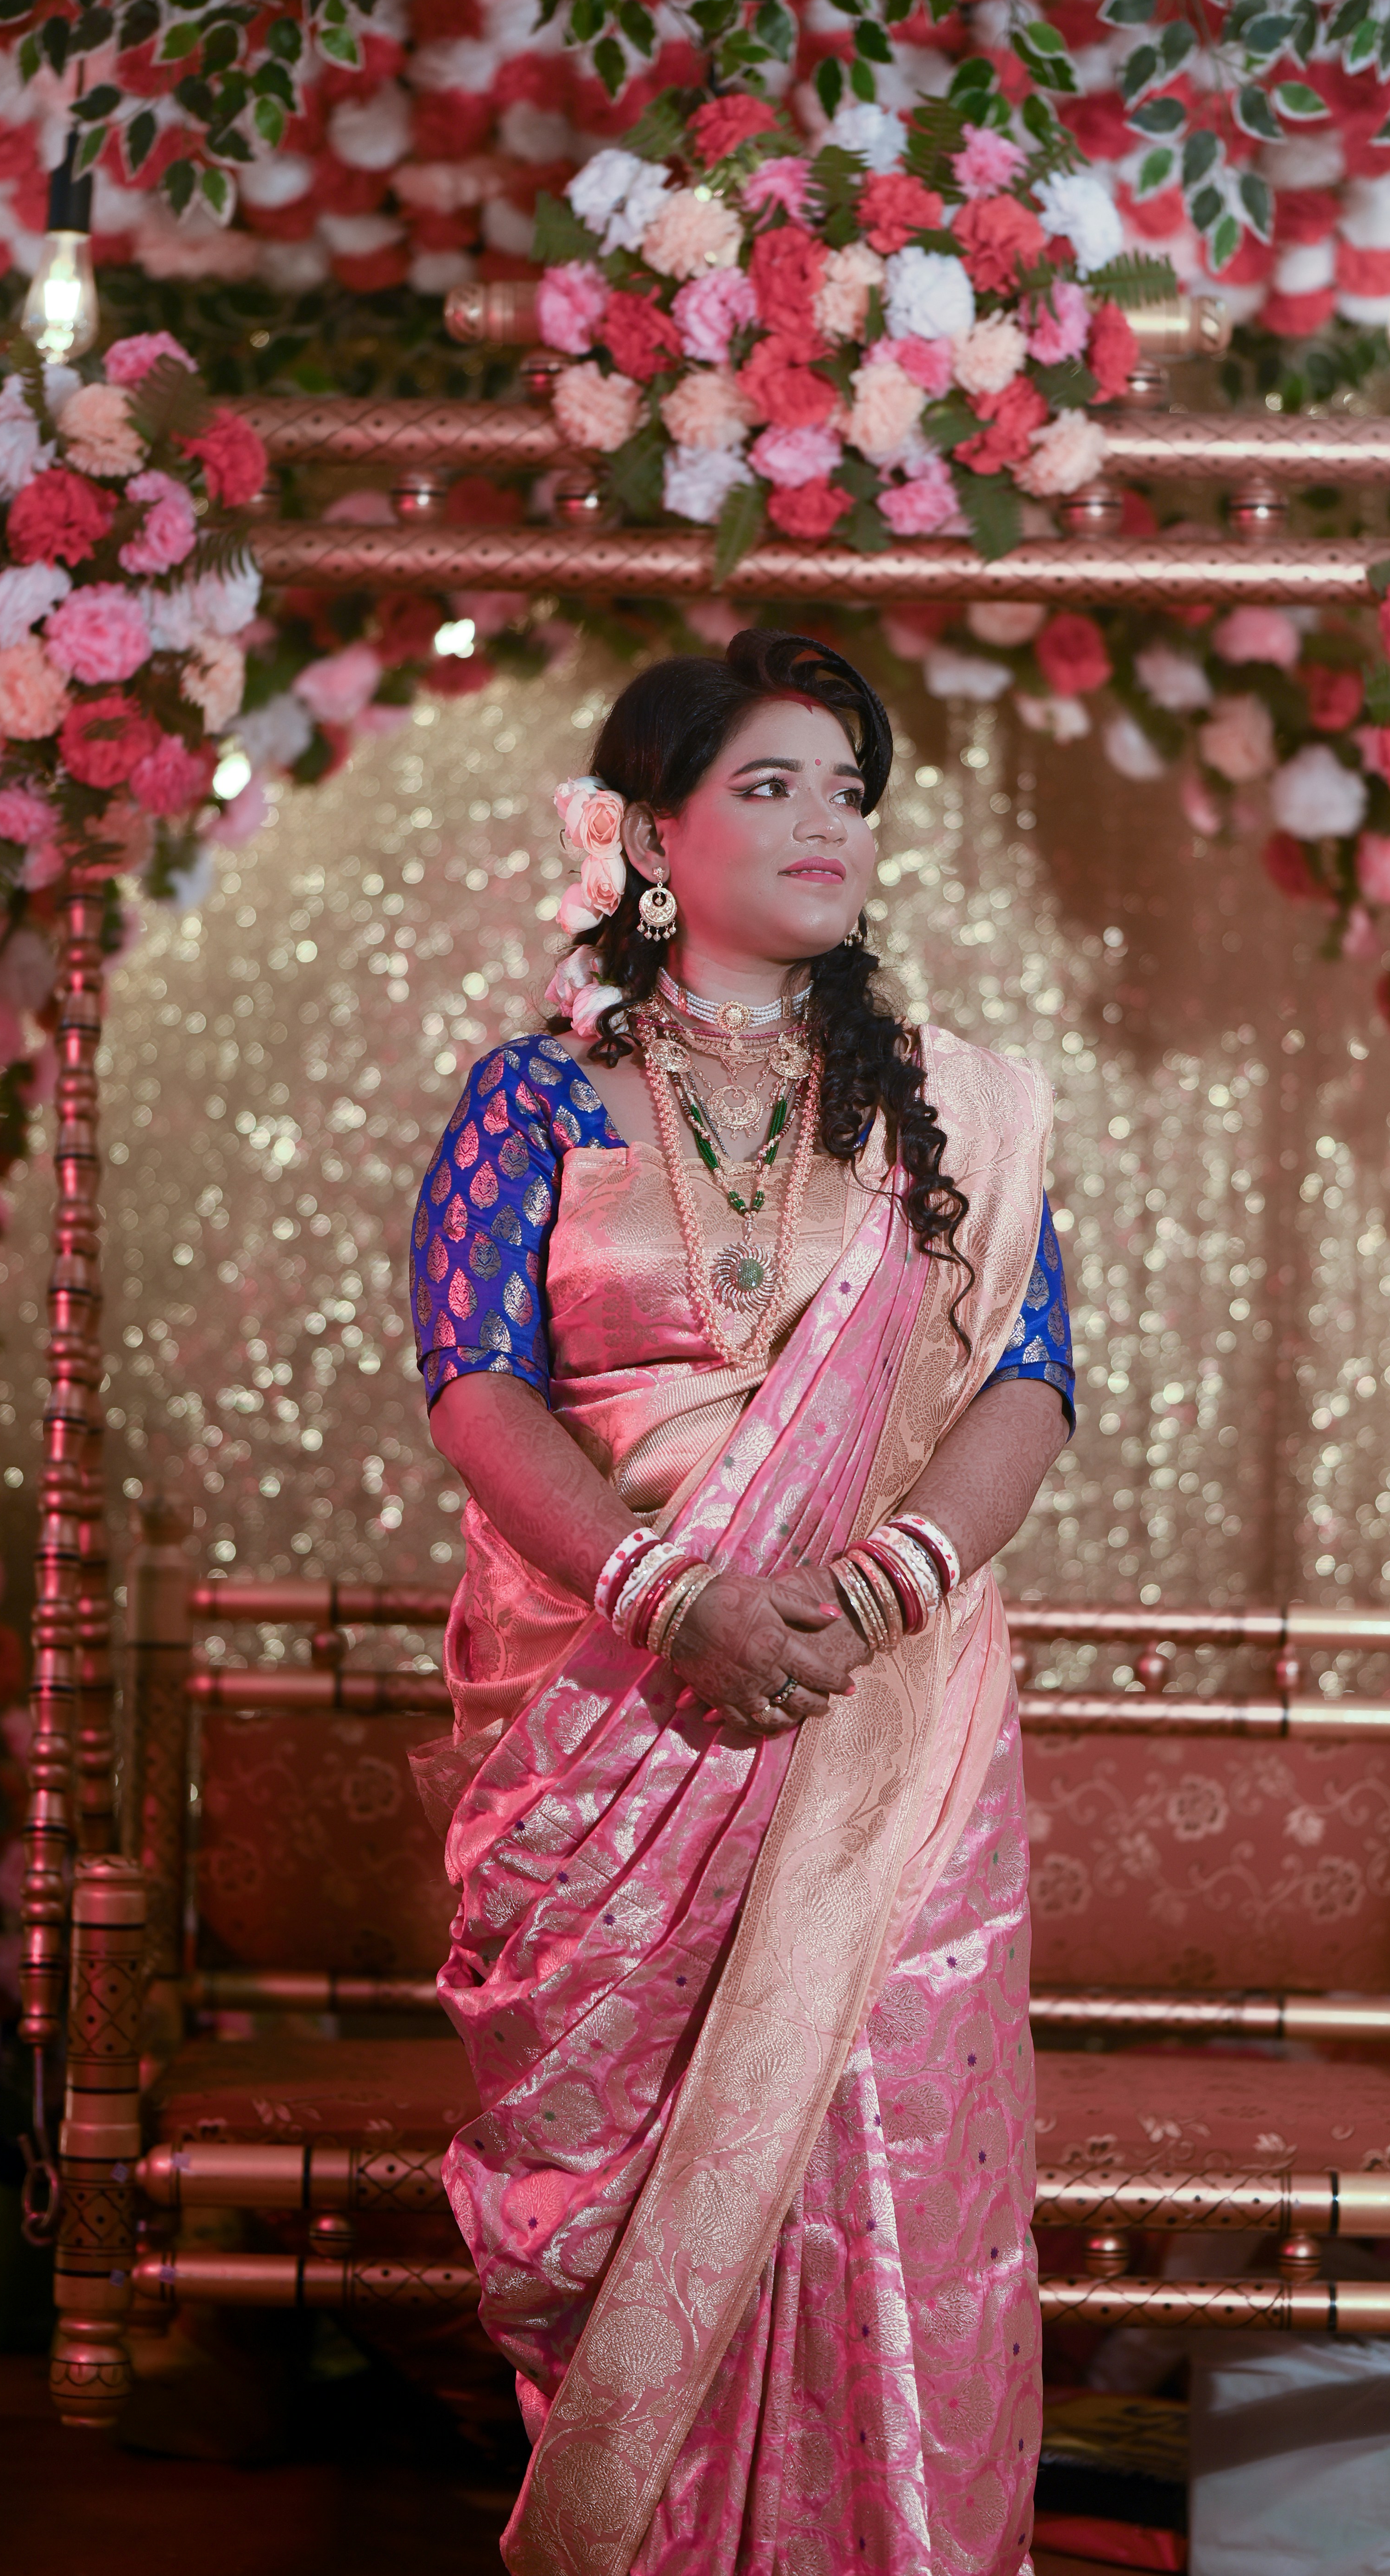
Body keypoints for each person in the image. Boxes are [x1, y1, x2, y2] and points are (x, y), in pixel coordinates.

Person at [408, 628, 1074, 2576]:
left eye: (847, 793)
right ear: (650, 835)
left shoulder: (950, 1109)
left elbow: (1027, 1377)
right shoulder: (530, 1101)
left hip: (880, 1735)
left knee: (874, 2167)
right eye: (770, 784)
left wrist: (867, 1588)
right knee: (628, 2207)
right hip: (609, 1715)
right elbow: (472, 1379)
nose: (822, 826)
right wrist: (663, 1588)